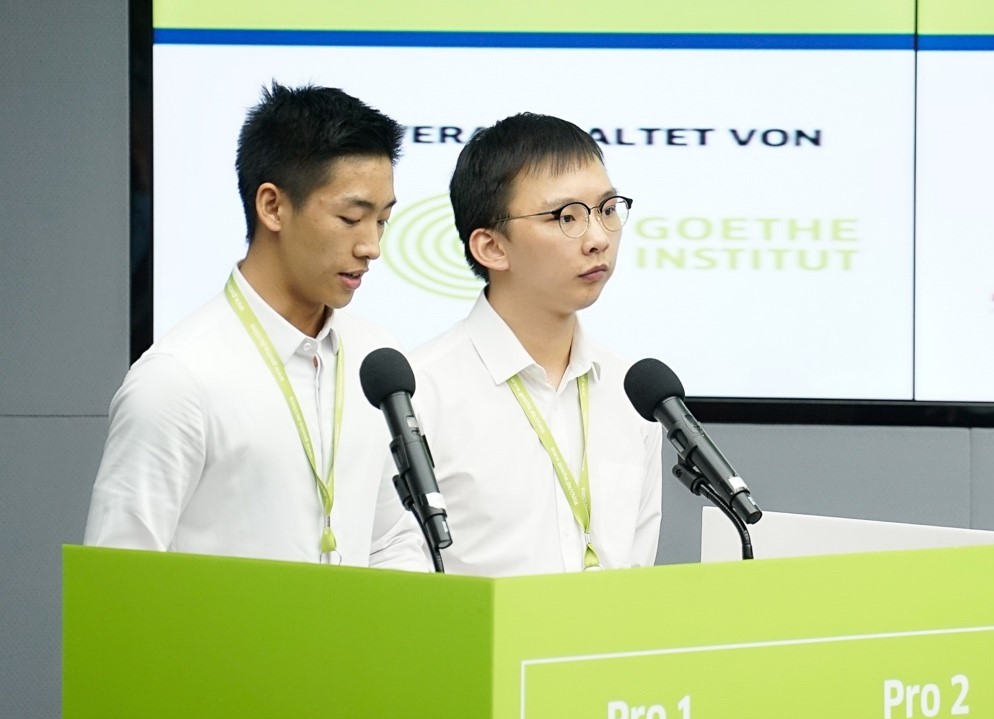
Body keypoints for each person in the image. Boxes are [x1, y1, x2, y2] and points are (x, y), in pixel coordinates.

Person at [84, 82, 425, 570]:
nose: (371, 246)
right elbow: (118, 579)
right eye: (351, 218)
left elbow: (392, 538)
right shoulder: (177, 380)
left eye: (382, 221)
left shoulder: (376, 358)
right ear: (272, 207)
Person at [408, 113, 662, 576]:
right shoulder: (419, 394)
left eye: (607, 209)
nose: (598, 239)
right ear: (491, 247)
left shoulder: (634, 394)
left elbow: (637, 571)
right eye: (566, 217)